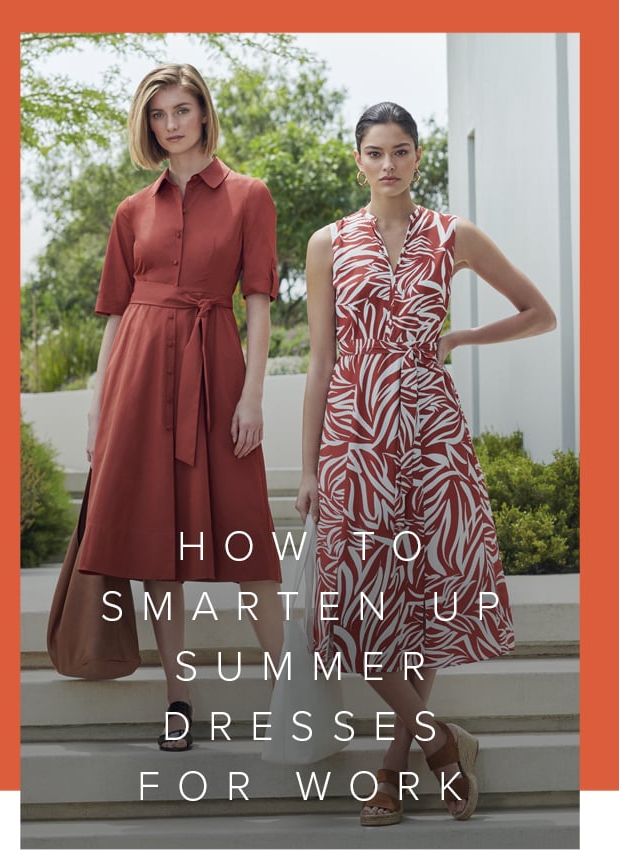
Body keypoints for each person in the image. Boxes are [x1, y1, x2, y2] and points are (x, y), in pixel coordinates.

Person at [296, 102, 556, 825]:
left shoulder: (453, 236)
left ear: (417, 158)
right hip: (354, 433)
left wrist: (461, 336)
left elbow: (539, 312)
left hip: (432, 436)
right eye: (374, 152)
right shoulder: (328, 243)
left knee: (425, 600)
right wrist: (311, 465)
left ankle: (388, 771)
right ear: (357, 160)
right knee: (351, 607)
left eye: (400, 151)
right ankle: (442, 743)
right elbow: (320, 363)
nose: (387, 164)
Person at [78, 63, 284, 750]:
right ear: (148, 124)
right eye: (158, 113)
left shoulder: (251, 195)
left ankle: (294, 691)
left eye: (182, 110)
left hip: (216, 372)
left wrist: (251, 393)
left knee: (248, 538)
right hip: (137, 377)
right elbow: (114, 314)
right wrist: (96, 407)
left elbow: (256, 302)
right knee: (157, 550)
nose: (170, 124)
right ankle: (177, 698)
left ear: (203, 113)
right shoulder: (130, 211)